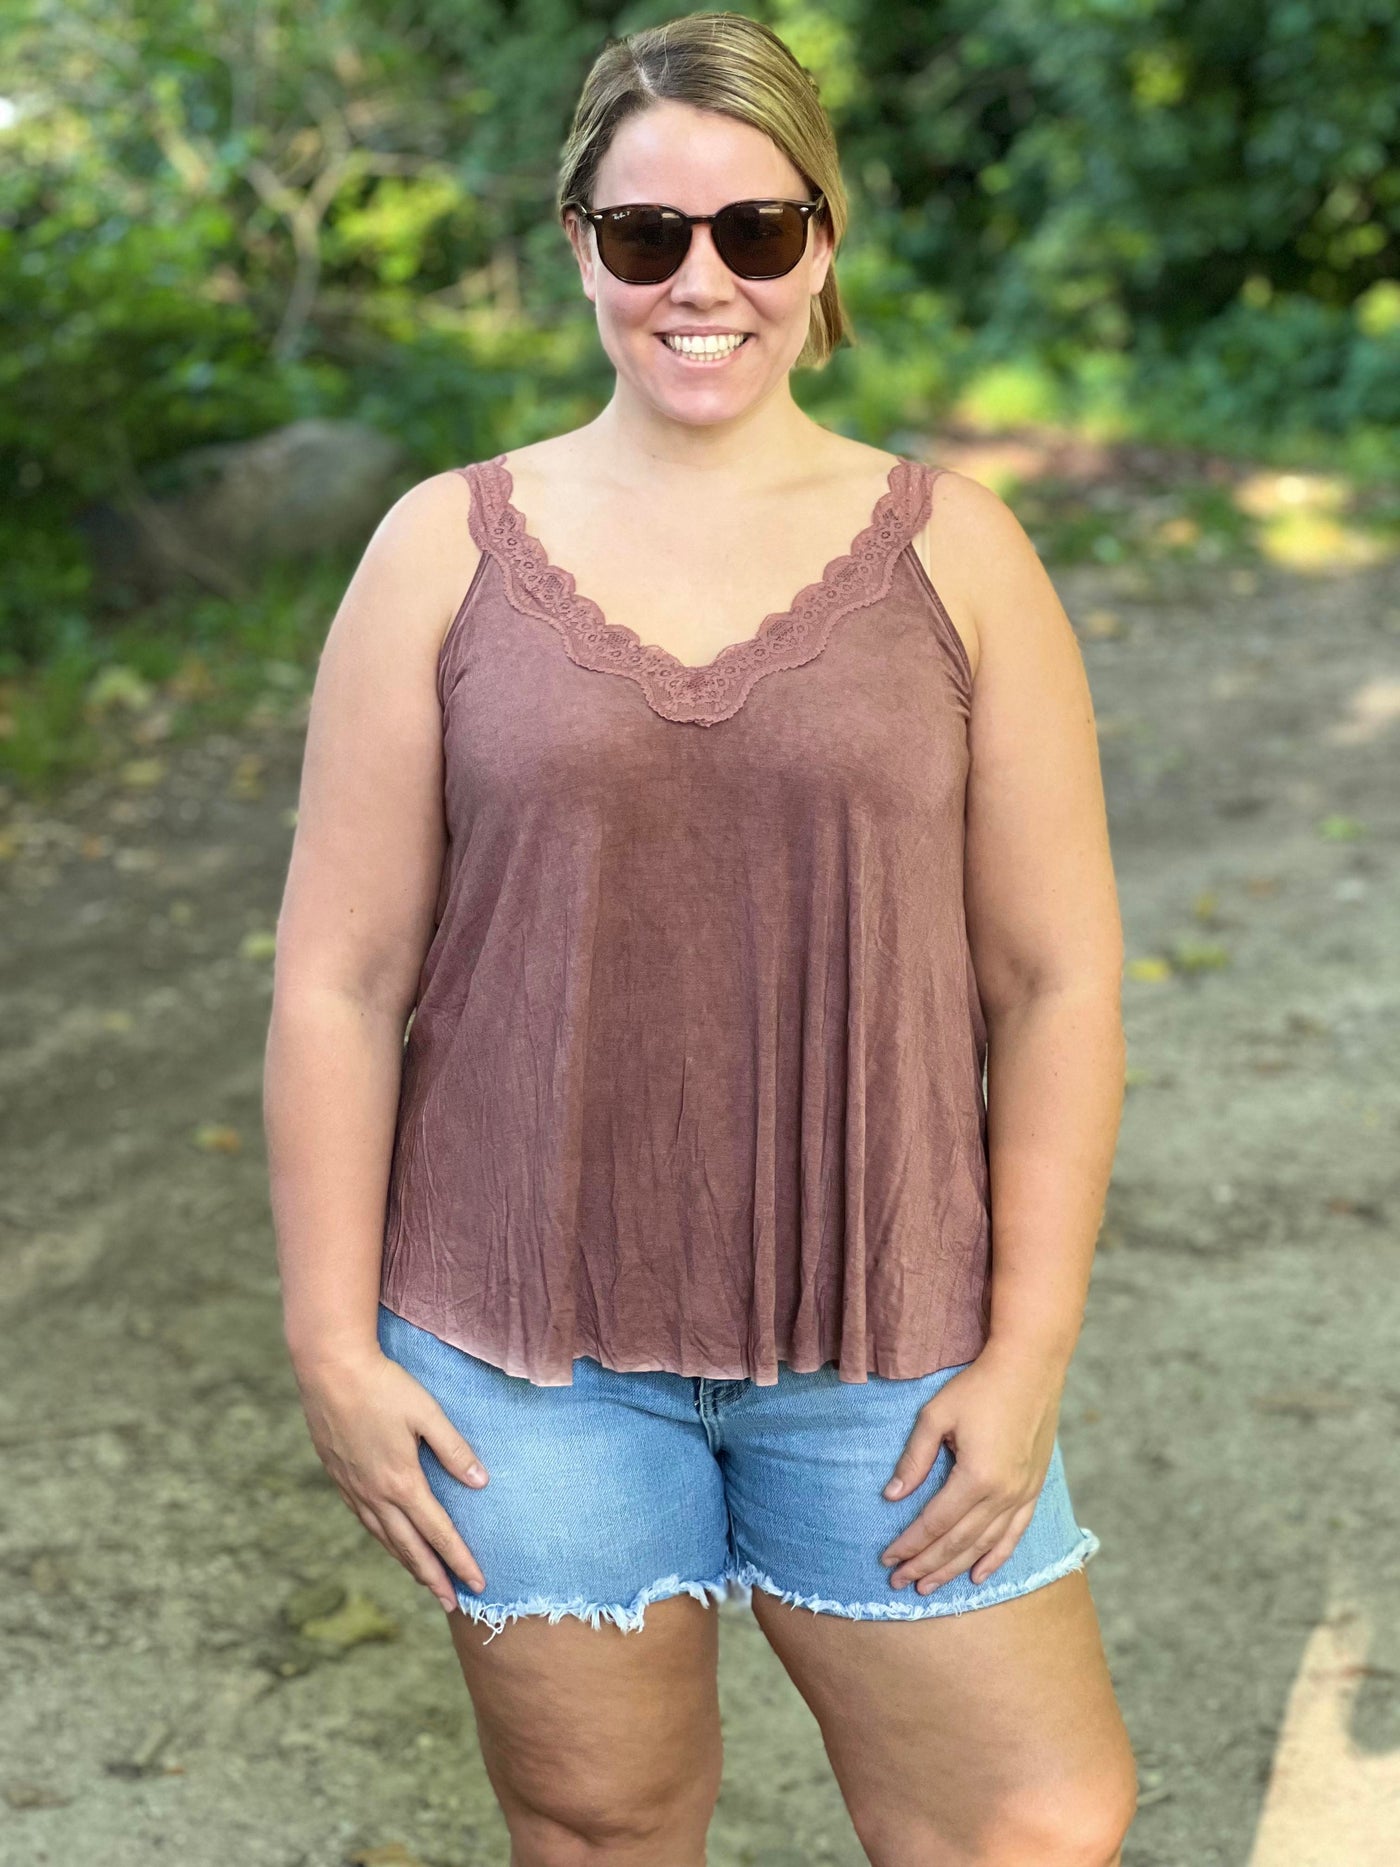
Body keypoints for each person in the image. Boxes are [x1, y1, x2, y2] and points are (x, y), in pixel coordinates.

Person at [264, 12, 1138, 1864]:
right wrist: (334, 1348)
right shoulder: (442, 549)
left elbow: (1052, 983)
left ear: (823, 244)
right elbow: (338, 982)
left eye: (754, 229)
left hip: (890, 1332)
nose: (702, 283)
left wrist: (1031, 1343)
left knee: (1030, 1823)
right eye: (648, 235)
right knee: (603, 1824)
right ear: (577, 241)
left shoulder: (958, 552)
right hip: (517, 1356)